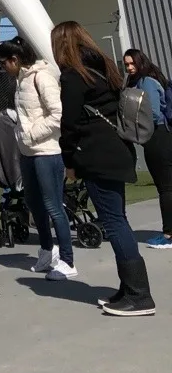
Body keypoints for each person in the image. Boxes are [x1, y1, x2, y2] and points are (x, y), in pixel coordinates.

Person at [54, 21, 155, 316]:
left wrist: (69, 160)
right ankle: (129, 288)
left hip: (96, 154)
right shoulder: (104, 68)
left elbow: (69, 123)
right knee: (118, 219)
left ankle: (139, 295)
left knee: (114, 222)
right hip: (117, 149)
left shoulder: (74, 76)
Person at [0, 36, 76, 279]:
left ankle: (68, 260)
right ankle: (47, 250)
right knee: (33, 203)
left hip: (47, 151)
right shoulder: (20, 81)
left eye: (3, 62)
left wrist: (31, 134)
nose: (2, 67)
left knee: (53, 205)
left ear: (15, 59)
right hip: (27, 153)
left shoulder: (42, 77)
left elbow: (57, 114)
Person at [123, 47, 172, 248]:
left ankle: (168, 234)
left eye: (132, 63)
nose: (129, 67)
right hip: (156, 136)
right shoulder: (138, 81)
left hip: (158, 135)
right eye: (126, 64)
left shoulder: (147, 82)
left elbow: (152, 113)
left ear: (141, 61)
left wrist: (133, 127)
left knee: (165, 187)